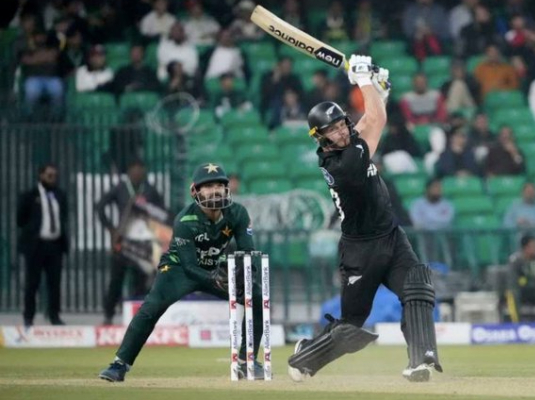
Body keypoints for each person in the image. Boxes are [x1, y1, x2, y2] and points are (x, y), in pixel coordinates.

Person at [287, 55, 442, 383]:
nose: (341, 132)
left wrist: (374, 91)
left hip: (391, 236)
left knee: (417, 288)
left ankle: (419, 360)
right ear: (321, 137)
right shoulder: (340, 165)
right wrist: (365, 82)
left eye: (342, 124)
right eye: (331, 130)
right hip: (360, 251)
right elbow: (375, 122)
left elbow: (373, 120)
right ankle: (305, 356)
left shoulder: (351, 142)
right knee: (352, 325)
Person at [99, 163, 264, 382]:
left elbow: (248, 251)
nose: (215, 191)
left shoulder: (238, 213)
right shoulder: (184, 220)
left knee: (256, 295)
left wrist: (247, 273)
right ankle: (119, 364)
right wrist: (215, 278)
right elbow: (189, 266)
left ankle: (247, 361)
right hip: (179, 269)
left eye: (219, 185)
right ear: (195, 191)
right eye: (208, 187)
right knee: (151, 308)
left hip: (215, 266)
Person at [96, 160, 165, 325]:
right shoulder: (120, 188)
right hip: (123, 241)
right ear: (128, 171)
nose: (138, 173)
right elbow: (100, 206)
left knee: (140, 281)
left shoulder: (150, 190)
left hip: (143, 243)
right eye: (135, 170)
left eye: (141, 170)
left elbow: (162, 213)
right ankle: (108, 315)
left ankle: (137, 317)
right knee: (116, 279)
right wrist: (111, 229)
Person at [17, 163, 68, 326]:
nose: (52, 179)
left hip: (55, 245)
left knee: (55, 283)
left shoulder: (59, 195)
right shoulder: (30, 195)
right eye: (49, 175)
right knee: (32, 283)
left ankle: (54, 315)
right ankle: (29, 316)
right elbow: (20, 219)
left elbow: (63, 217)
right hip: (36, 246)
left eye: (55, 176)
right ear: (41, 175)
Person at [506, 234, 535, 322]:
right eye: (533, 246)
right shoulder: (515, 262)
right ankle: (516, 322)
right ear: (525, 248)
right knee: (512, 294)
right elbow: (513, 281)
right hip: (521, 291)